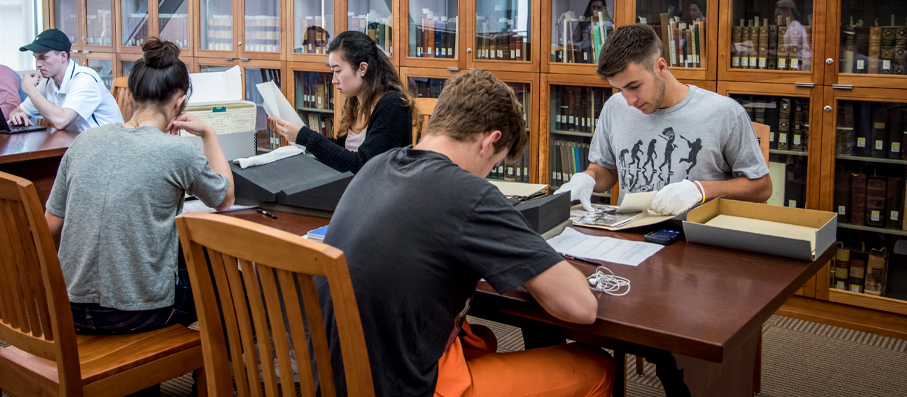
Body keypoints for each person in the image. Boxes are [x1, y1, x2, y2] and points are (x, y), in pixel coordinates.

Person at [316, 69, 614, 397]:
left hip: (340, 377)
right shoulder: (470, 194)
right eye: (494, 165)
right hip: (410, 387)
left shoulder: (376, 165)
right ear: (490, 141)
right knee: (597, 366)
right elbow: (581, 307)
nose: (487, 175)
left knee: (482, 339)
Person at [44, 37, 234, 334]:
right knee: (230, 281)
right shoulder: (177, 151)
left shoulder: (83, 141)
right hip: (134, 314)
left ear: (130, 97)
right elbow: (224, 199)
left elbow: (51, 224)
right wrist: (208, 133)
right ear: (179, 102)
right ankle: (216, 363)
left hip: (68, 308)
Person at [557, 23, 771, 214]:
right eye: (620, 89)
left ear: (661, 67)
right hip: (629, 233)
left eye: (634, 86)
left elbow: (761, 187)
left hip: (693, 236)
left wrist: (700, 190)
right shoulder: (615, 107)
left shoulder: (724, 113)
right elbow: (608, 170)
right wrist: (589, 178)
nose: (629, 101)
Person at [268, 30, 415, 172]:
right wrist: (295, 133)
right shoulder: (354, 102)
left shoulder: (393, 105)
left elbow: (363, 165)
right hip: (350, 184)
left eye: (337, 71)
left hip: (374, 187)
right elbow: (343, 151)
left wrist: (305, 136)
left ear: (362, 68)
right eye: (332, 72)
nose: (333, 80)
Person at [7, 28, 123, 131]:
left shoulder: (84, 79)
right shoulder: (49, 83)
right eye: (36, 58)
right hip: (77, 144)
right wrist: (17, 115)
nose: (38, 64)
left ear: (63, 56)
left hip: (107, 145)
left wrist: (30, 89)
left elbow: (61, 121)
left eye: (43, 58)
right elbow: (18, 111)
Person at [774, 0, 812, 71]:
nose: (775, 20)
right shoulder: (794, 26)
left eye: (778, 16)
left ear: (788, 11)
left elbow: (791, 54)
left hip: (800, 68)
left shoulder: (793, 28)